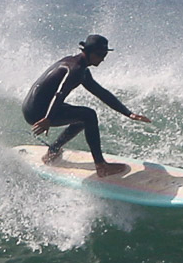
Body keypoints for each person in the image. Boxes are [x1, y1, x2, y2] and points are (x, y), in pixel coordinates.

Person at [22, 34, 151, 177]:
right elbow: (60, 93)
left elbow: (100, 92)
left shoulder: (78, 66)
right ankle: (101, 166)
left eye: (105, 54)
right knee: (89, 115)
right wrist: (48, 119)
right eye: (100, 54)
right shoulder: (76, 69)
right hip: (38, 113)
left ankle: (53, 151)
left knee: (82, 118)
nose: (103, 58)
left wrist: (128, 113)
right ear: (88, 52)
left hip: (33, 107)